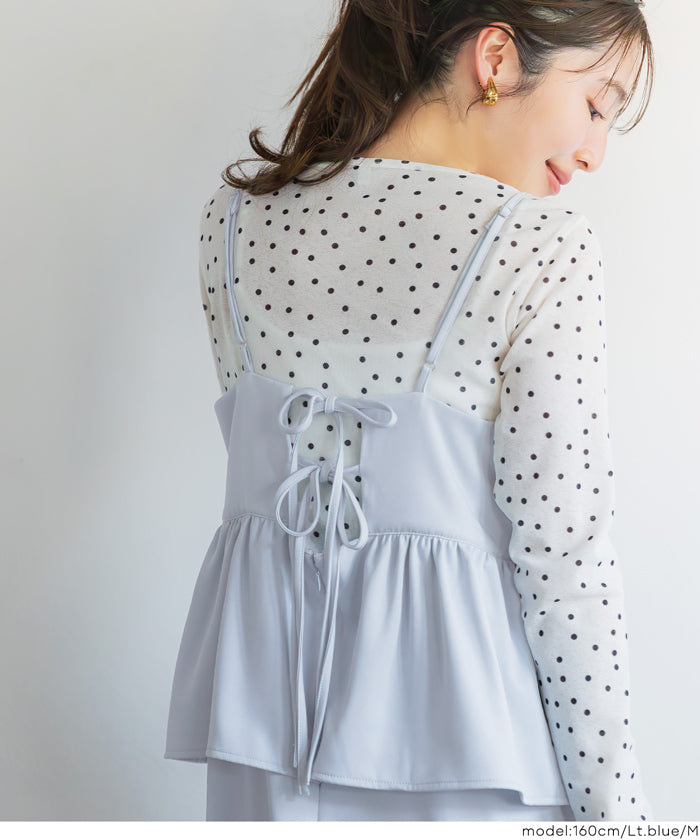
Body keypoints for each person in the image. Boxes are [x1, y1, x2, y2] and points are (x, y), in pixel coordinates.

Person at [164, 0, 656, 822]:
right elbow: (565, 565)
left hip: (265, 765)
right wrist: (622, 818)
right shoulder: (541, 248)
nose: (594, 151)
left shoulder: (234, 225)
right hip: (472, 763)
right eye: (597, 105)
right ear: (496, 58)